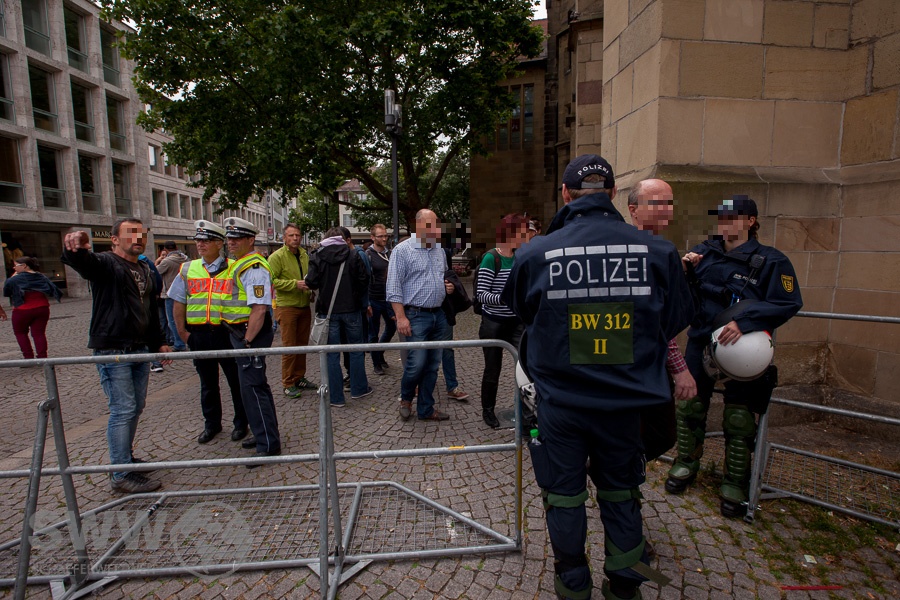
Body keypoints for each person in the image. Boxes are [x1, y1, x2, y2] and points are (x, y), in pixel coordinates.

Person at [502, 155, 693, 600]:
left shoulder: (534, 253)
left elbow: (523, 312)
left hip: (561, 404)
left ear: (565, 194)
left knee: (563, 497)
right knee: (622, 493)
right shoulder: (658, 252)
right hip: (623, 405)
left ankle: (573, 587)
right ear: (614, 194)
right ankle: (625, 587)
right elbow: (672, 320)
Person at [665, 194, 802, 518]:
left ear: (751, 221)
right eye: (722, 217)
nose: (725, 223)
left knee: (739, 418)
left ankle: (735, 483)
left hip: (743, 349)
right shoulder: (704, 253)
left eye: (734, 217)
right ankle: (686, 463)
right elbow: (680, 294)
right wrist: (682, 269)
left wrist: (746, 321)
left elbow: (788, 302)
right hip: (701, 341)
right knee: (689, 406)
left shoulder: (771, 261)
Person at [61, 219, 171, 494]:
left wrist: (159, 342)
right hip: (113, 349)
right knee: (123, 409)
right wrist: (77, 248)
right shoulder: (107, 263)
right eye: (131, 233)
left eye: (141, 234)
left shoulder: (145, 268)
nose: (138, 238)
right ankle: (120, 473)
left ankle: (126, 459)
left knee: (136, 407)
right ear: (114, 239)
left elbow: (150, 309)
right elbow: (85, 264)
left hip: (140, 348)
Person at [626, 179, 697, 459]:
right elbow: (657, 322)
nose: (666, 210)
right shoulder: (639, 251)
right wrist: (679, 369)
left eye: (669, 203)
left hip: (646, 362)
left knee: (654, 434)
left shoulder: (663, 251)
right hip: (637, 363)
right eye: (657, 204)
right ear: (633, 209)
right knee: (658, 433)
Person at [168, 221, 248, 445]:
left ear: (219, 244)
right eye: (198, 240)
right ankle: (211, 424)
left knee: (236, 382)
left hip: (228, 333)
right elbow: (178, 302)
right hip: (200, 334)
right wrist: (182, 333)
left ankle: (241, 423)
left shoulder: (235, 268)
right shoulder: (187, 269)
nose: (200, 244)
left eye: (206, 241)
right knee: (208, 384)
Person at [387, 209, 456, 422]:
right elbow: (393, 288)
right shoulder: (402, 251)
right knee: (416, 363)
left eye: (436, 226)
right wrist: (401, 317)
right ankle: (406, 398)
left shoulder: (439, 250)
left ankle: (426, 408)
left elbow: (442, 277)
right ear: (417, 226)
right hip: (415, 315)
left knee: (433, 365)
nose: (435, 230)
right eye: (430, 226)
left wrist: (448, 287)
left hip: (438, 314)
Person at [221, 217, 281, 461]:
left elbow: (259, 308)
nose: (231, 242)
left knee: (254, 389)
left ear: (250, 240)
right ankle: (261, 433)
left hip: (249, 334)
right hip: (242, 333)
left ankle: (268, 444)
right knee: (251, 388)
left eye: (237, 238)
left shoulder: (253, 267)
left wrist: (247, 341)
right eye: (229, 238)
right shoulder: (240, 264)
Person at [305, 227, 371, 407]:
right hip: (352, 309)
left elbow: (311, 282)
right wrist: (355, 295)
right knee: (356, 350)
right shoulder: (353, 254)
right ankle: (359, 389)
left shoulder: (317, 256)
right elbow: (364, 280)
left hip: (328, 311)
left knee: (331, 354)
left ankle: (335, 397)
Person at [475, 213, 530, 429]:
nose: (526, 237)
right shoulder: (491, 258)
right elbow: (481, 294)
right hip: (494, 324)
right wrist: (506, 299)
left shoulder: (520, 257)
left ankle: (526, 413)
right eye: (523, 233)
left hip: (517, 323)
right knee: (492, 369)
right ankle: (488, 410)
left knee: (524, 368)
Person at [267, 223, 317, 399]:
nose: (295, 238)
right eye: (291, 235)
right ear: (284, 238)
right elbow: (271, 281)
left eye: (297, 235)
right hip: (287, 306)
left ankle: (299, 377)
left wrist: (310, 290)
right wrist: (294, 284)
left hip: (304, 305)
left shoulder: (304, 254)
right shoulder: (276, 257)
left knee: (302, 344)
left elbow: (308, 277)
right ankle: (288, 382)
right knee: (289, 346)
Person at [0, 256, 62, 359]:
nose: (14, 268)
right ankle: (42, 357)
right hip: (42, 307)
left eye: (16, 265)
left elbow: (6, 292)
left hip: (22, 309)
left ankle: (28, 357)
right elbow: (52, 289)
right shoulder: (41, 276)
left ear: (24, 266)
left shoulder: (14, 279)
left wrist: (11, 278)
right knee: (39, 333)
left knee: (20, 333)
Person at [365, 224, 396, 375]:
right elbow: (363, 279)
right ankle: (376, 363)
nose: (384, 239)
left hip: (389, 298)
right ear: (372, 237)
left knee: (392, 327)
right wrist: (366, 302)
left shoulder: (390, 253)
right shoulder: (368, 255)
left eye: (386, 235)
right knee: (373, 332)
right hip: (373, 298)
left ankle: (379, 353)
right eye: (380, 236)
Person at [155, 241, 190, 352]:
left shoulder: (167, 261)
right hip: (185, 293)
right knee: (184, 319)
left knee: (173, 320)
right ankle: (186, 341)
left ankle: (179, 343)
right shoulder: (186, 259)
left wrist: (158, 261)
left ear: (165, 250)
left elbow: (154, 272)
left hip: (170, 293)